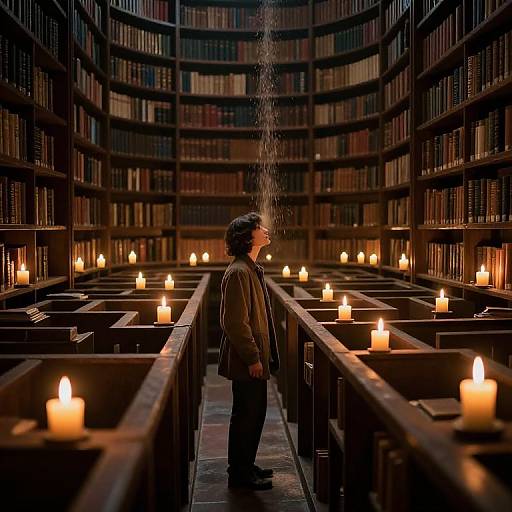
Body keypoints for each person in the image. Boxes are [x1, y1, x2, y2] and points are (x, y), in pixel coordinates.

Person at [218, 212, 280, 490]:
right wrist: (253, 357)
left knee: (255, 413)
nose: (265, 230)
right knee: (245, 414)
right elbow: (234, 322)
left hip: (254, 358)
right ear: (247, 237)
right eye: (259, 227)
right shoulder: (238, 272)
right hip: (247, 360)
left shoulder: (250, 268)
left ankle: (246, 465)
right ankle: (239, 474)